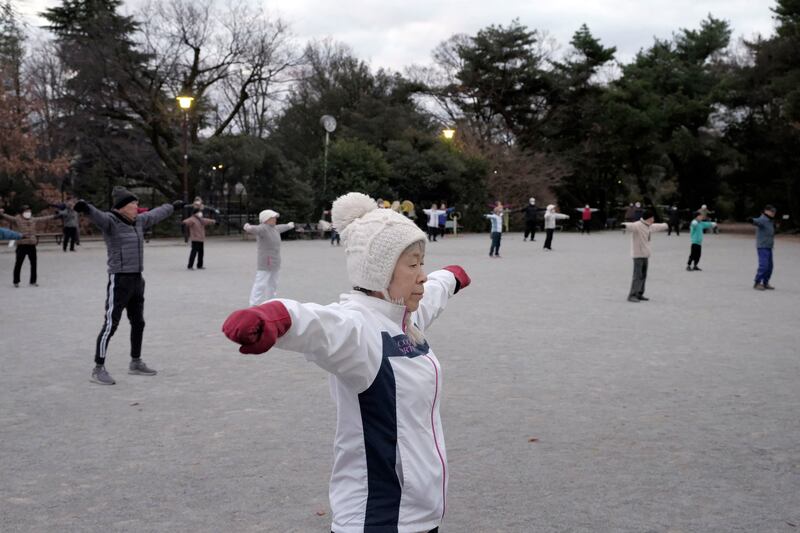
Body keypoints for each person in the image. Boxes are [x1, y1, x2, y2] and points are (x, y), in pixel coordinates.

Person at [222, 191, 471, 533]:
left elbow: (432, 294)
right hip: (377, 519)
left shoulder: (403, 317)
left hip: (419, 514)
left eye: (422, 263)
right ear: (379, 273)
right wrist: (272, 317)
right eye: (413, 264)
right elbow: (319, 325)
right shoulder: (360, 330)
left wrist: (452, 277)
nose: (423, 275)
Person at [73, 186, 183, 385]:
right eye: (133, 204)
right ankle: (98, 368)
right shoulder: (111, 222)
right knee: (110, 324)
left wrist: (172, 207)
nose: (136, 207)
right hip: (120, 280)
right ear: (123, 207)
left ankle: (135, 362)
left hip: (137, 279)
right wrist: (86, 208)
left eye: (137, 204)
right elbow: (97, 216)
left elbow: (157, 214)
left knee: (138, 322)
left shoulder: (139, 221)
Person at [243, 209, 295, 306]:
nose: (275, 219)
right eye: (273, 217)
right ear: (266, 219)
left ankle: (270, 302)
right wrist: (248, 227)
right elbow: (255, 229)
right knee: (261, 283)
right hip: (265, 261)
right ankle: (254, 304)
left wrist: (288, 226)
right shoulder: (263, 228)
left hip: (275, 261)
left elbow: (281, 227)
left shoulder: (274, 228)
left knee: (273, 283)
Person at [1, 205, 58, 287]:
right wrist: (2, 213)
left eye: (29, 211)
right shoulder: (17, 219)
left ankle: (33, 281)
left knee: (34, 264)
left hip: (31, 245)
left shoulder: (33, 219)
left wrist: (54, 216)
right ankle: (16, 281)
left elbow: (43, 218)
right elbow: (7, 217)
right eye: (26, 211)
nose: (28, 213)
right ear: (22, 212)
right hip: (22, 245)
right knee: (18, 263)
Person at [621, 209, 668, 302]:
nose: (654, 219)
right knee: (637, 276)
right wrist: (623, 225)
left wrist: (667, 224)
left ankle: (639, 293)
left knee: (643, 275)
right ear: (649, 218)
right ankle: (632, 295)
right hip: (638, 255)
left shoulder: (649, 226)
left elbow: (659, 226)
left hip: (645, 255)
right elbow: (630, 226)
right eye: (652, 217)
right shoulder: (638, 225)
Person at [750, 205, 777, 291]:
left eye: (774, 212)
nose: (773, 213)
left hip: (769, 246)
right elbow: (756, 221)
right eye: (772, 211)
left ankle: (765, 282)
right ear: (766, 211)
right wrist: (751, 220)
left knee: (770, 266)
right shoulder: (763, 219)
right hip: (762, 246)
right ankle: (757, 282)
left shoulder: (770, 221)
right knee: (764, 265)